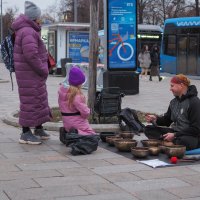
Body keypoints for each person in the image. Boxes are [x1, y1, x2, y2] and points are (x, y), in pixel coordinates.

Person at [11, 1, 51, 144]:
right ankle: (25, 133)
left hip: (31, 74)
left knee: (38, 100)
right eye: (39, 16)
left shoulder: (28, 30)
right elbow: (31, 55)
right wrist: (43, 68)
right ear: (35, 17)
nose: (41, 18)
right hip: (30, 74)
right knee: (30, 102)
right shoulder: (28, 31)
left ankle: (38, 128)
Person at [145, 74, 200, 150]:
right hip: (175, 132)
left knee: (183, 140)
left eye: (172, 86)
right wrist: (155, 119)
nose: (170, 89)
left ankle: (166, 143)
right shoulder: (173, 102)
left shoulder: (194, 102)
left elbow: (195, 129)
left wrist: (175, 135)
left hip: (190, 136)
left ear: (181, 85)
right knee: (149, 129)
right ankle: (169, 143)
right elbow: (167, 120)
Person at [58, 66, 96, 135]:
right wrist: (88, 111)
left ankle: (67, 133)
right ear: (79, 83)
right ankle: (76, 133)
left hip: (66, 123)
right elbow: (85, 113)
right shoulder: (77, 95)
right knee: (92, 135)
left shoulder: (62, 93)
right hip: (77, 124)